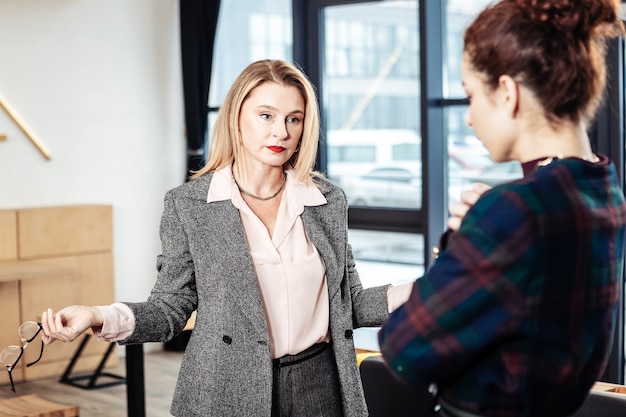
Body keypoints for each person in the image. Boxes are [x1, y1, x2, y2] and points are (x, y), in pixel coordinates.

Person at [40, 59, 412, 417]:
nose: (280, 131)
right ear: (236, 118)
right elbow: (170, 309)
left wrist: (430, 287)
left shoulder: (327, 202)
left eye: (293, 119)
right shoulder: (189, 205)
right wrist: (99, 316)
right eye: (265, 116)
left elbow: (351, 305)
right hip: (226, 388)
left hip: (319, 386)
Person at [379, 1, 626, 417]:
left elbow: (403, 347)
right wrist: (478, 233)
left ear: (508, 93)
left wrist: (468, 237)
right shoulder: (604, 188)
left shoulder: (515, 211)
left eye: (471, 95)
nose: (470, 118)